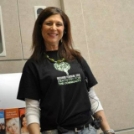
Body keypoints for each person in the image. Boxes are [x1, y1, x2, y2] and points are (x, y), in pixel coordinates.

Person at [17, 7, 115, 134]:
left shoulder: (77, 58)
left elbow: (92, 96)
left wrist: (107, 130)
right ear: (40, 28)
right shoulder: (33, 65)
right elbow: (32, 109)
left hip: (88, 130)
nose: (54, 28)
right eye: (48, 23)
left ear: (64, 29)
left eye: (59, 24)